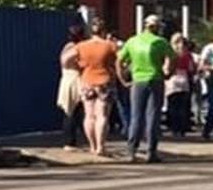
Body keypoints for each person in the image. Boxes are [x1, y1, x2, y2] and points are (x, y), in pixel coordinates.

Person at [117, 14, 174, 163]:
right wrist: (168, 74)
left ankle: (132, 151)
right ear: (157, 27)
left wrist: (123, 79)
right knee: (153, 117)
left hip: (138, 81)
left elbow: (119, 60)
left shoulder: (132, 41)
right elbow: (172, 59)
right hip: (155, 79)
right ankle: (151, 152)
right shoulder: (160, 42)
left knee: (136, 116)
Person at [76, 17, 118, 156]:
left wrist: (79, 67)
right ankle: (101, 147)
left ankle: (92, 146)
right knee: (102, 116)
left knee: (89, 116)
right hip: (105, 81)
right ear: (104, 30)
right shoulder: (110, 45)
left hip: (87, 81)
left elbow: (68, 59)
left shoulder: (81, 46)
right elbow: (120, 61)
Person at [57, 24, 85, 151]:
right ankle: (69, 142)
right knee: (72, 112)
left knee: (71, 111)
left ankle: (71, 141)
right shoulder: (76, 48)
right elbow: (66, 61)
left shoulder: (67, 47)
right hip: (74, 80)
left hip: (66, 79)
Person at [165, 33, 196, 138]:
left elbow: (167, 67)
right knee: (182, 106)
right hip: (184, 78)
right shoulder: (187, 54)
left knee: (172, 105)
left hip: (173, 79)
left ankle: (174, 128)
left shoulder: (170, 53)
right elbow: (191, 68)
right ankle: (182, 129)